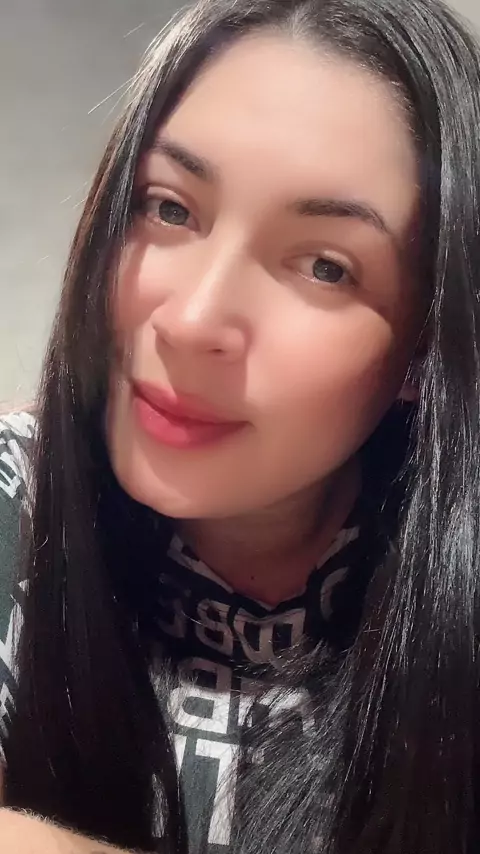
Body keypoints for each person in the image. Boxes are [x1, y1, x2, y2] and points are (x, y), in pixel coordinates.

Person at [1, 0, 480, 850]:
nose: (192, 321)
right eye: (169, 208)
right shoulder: (16, 504)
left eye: (326, 266)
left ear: (422, 350)